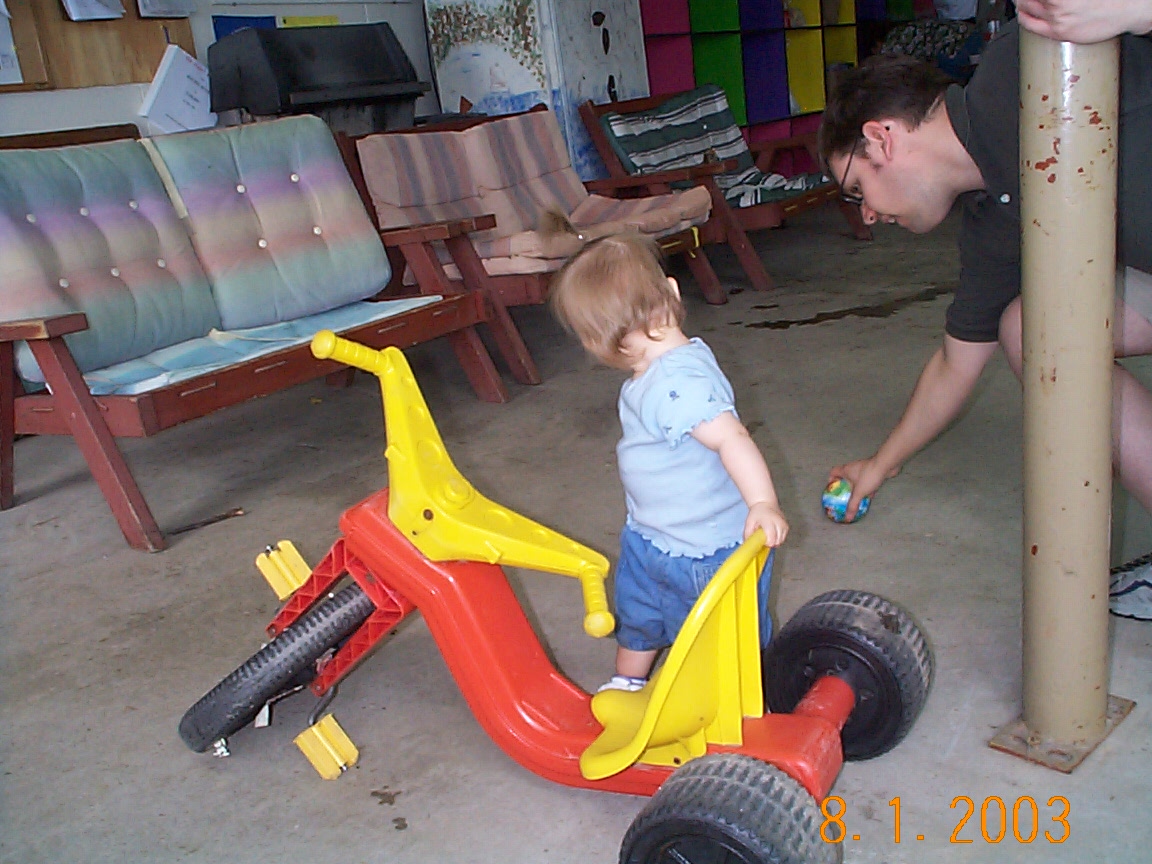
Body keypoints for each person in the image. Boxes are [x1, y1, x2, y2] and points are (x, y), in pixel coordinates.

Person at [818, 13, 1152, 619]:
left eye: (855, 189)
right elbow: (955, 364)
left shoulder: (1024, 63)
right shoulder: (994, 219)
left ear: (881, 139)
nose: (865, 214)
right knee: (1032, 328)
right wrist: (880, 465)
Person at [550, 232, 789, 691]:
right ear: (673, 293)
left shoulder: (678, 384)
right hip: (652, 536)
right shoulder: (655, 373)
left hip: (704, 551)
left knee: (715, 640)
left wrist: (762, 502)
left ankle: (734, 698)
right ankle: (628, 682)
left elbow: (732, 438)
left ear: (598, 343)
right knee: (641, 616)